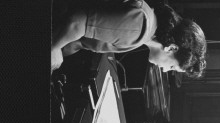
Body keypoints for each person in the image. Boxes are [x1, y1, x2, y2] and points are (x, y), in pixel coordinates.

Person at [51, 0, 207, 78]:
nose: (165, 70)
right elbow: (76, 22)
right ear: (172, 48)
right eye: (172, 67)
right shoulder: (138, 28)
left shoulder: (145, 31)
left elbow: (82, 39)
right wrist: (54, 49)